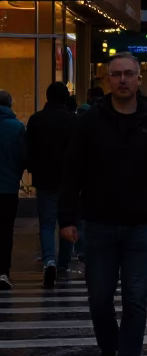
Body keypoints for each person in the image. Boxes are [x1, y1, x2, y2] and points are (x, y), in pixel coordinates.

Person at [58, 53, 147, 356]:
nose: (123, 80)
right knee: (99, 299)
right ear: (106, 80)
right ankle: (109, 350)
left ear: (139, 79)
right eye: (116, 75)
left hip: (141, 225)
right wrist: (67, 218)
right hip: (98, 224)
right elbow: (72, 172)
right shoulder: (91, 121)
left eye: (129, 74)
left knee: (135, 300)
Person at [26, 82, 78, 287]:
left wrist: (31, 169)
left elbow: (30, 148)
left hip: (45, 177)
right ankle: (64, 262)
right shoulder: (74, 121)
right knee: (68, 221)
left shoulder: (36, 120)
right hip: (69, 179)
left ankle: (49, 260)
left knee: (47, 222)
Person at [0, 90, 26, 291]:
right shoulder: (17, 127)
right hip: (8, 187)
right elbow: (22, 157)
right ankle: (3, 271)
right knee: (6, 229)